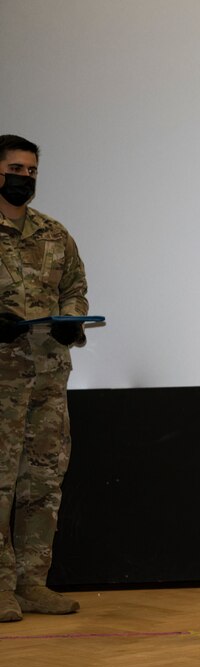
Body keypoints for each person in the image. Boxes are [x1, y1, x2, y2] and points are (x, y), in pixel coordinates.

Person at [0, 134, 88, 623]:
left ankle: (31, 582)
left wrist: (71, 318)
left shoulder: (53, 234)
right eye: (16, 169)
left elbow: (75, 287)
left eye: (31, 172)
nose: (24, 179)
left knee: (41, 482)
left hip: (48, 379)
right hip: (2, 381)